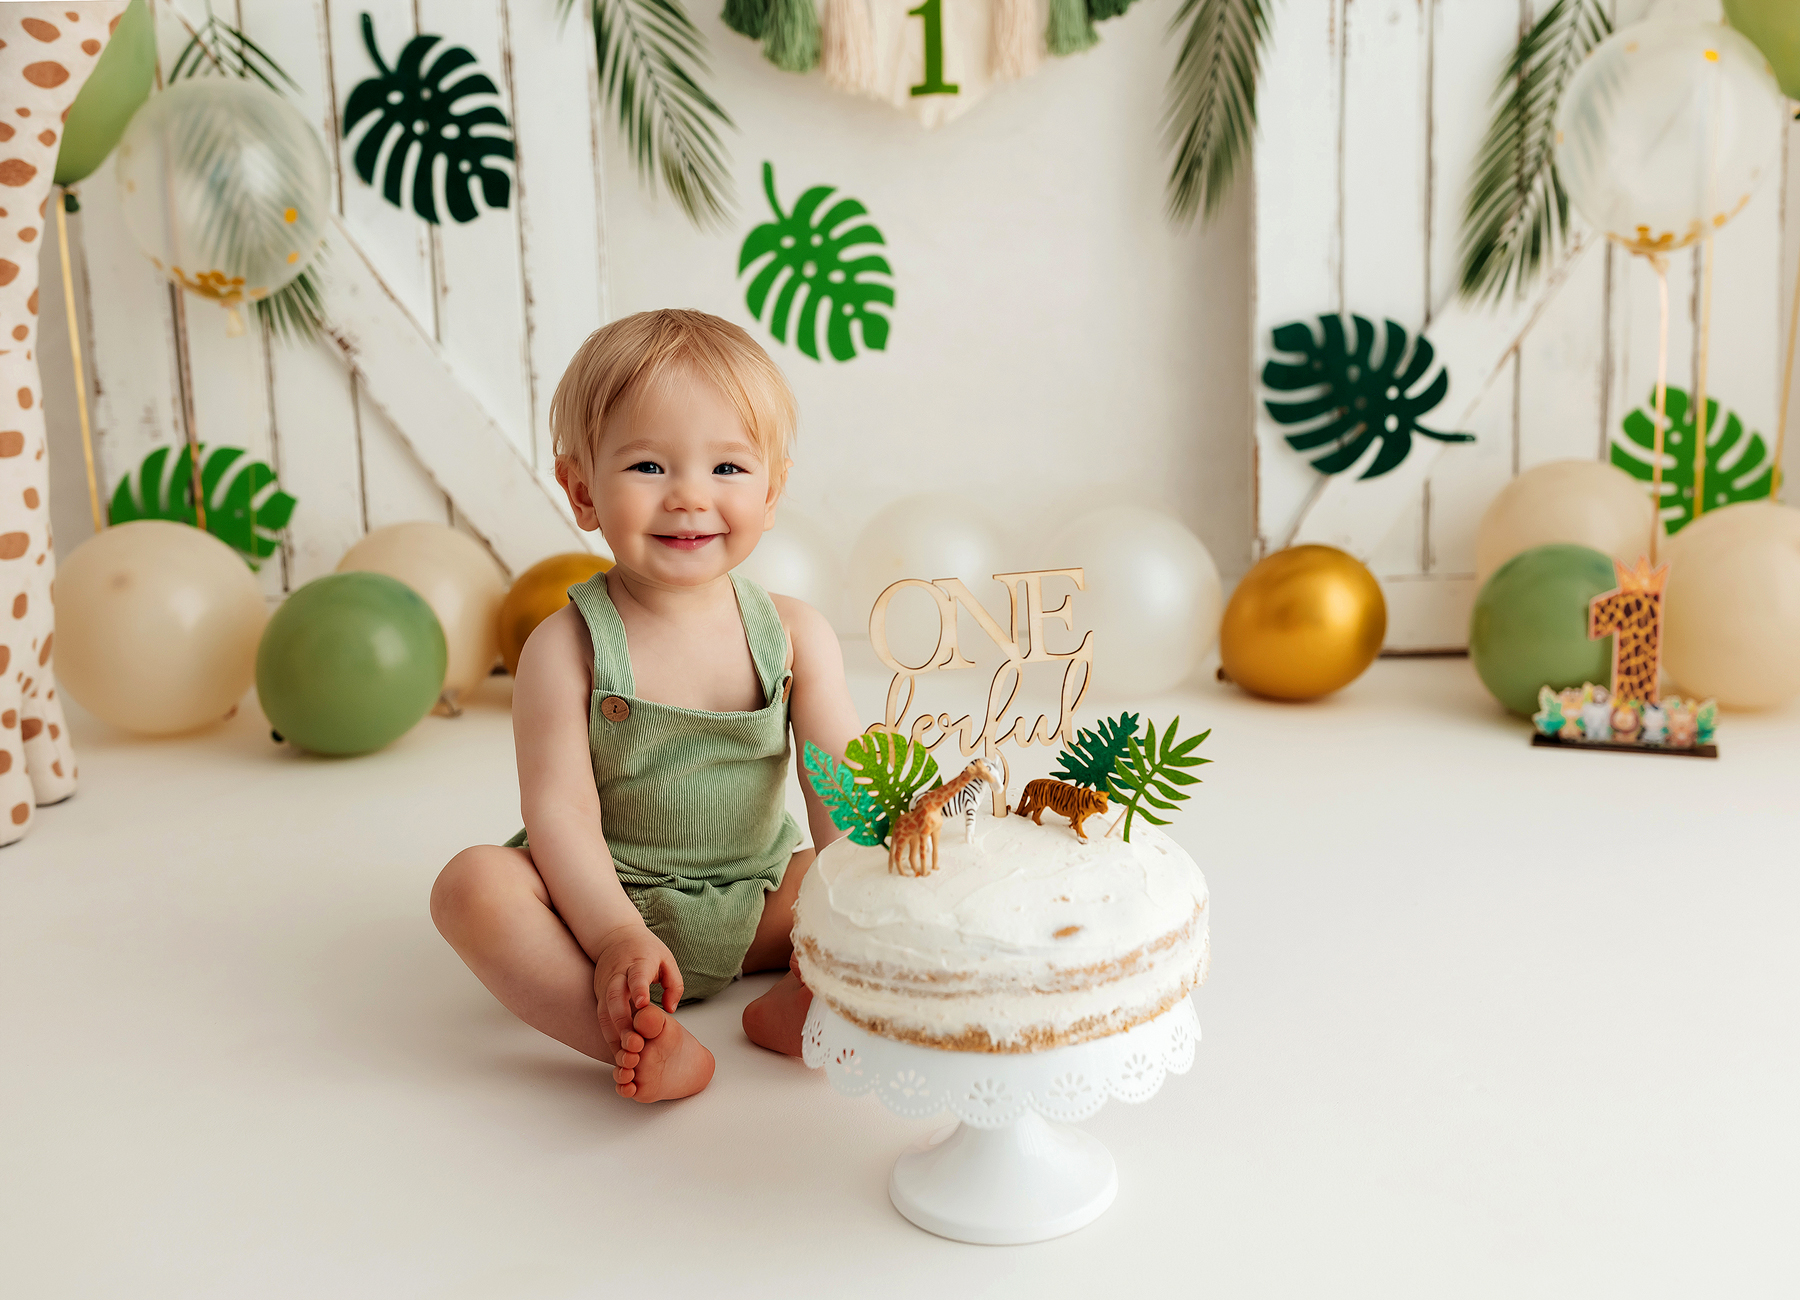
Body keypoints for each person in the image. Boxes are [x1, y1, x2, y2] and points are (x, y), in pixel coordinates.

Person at [430, 310, 862, 1102]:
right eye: (649, 468)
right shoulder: (566, 648)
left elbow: (840, 789)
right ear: (582, 489)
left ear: (774, 491)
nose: (690, 498)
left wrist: (846, 918)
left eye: (728, 469)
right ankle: (628, 1031)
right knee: (472, 887)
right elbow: (558, 814)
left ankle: (808, 997)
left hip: (758, 900)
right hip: (597, 904)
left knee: (859, 878)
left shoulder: (797, 635)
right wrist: (615, 935)